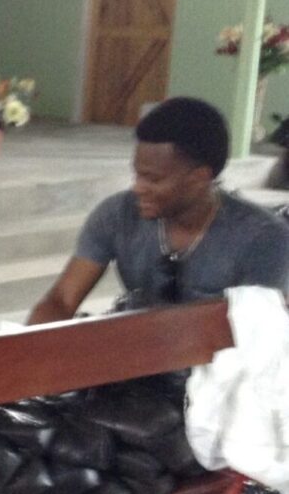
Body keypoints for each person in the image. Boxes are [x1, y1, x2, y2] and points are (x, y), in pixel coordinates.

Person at [28, 96, 289, 324]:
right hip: (137, 358)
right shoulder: (117, 215)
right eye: (137, 175)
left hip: (223, 373)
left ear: (199, 178)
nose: (138, 188)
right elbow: (61, 301)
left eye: (153, 179)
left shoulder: (264, 238)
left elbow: (254, 337)